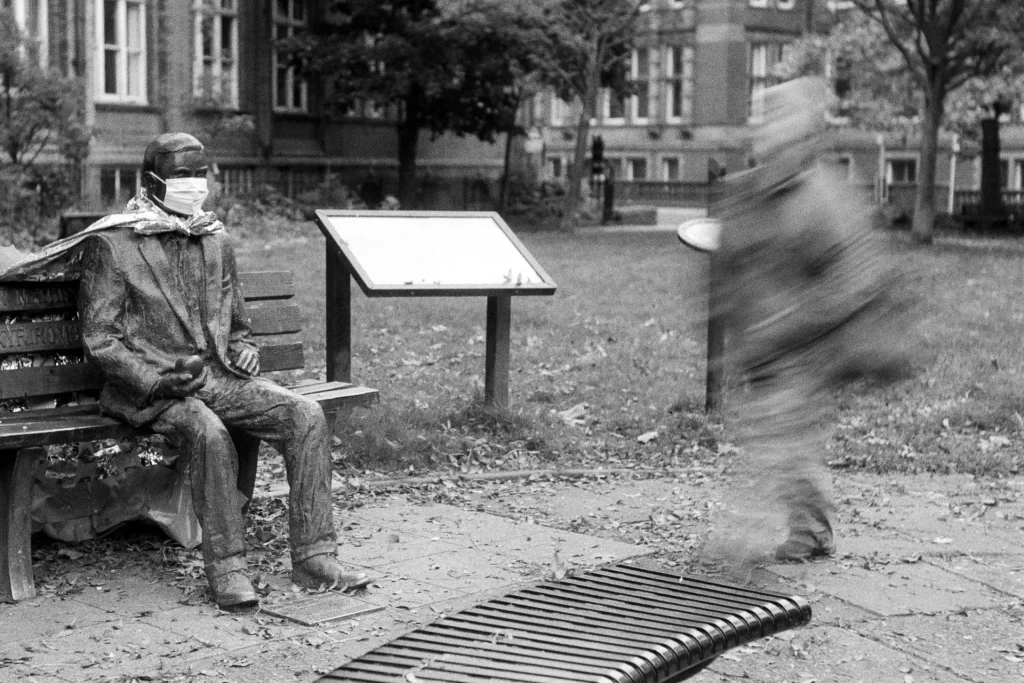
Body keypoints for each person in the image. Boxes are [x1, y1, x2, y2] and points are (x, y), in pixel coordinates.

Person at [71, 132, 370, 609]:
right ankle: (228, 568)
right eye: (180, 175)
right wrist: (154, 380)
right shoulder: (114, 244)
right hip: (151, 389)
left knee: (306, 416)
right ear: (152, 183)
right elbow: (100, 339)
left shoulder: (214, 237)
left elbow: (238, 323)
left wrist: (245, 348)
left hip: (218, 376)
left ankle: (315, 557)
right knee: (209, 433)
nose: (193, 184)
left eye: (199, 173)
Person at [710, 77, 914, 562]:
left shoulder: (822, 196)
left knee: (778, 428)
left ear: (805, 138)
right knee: (779, 430)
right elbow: (732, 261)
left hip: (807, 339)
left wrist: (799, 321)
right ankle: (811, 526)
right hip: (765, 337)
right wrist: (727, 310)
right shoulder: (755, 190)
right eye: (769, 119)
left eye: (784, 123)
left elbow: (853, 274)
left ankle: (768, 538)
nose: (771, 133)